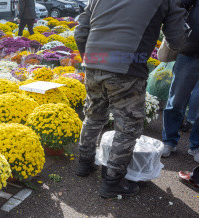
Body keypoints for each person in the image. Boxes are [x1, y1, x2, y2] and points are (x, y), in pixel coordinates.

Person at [74, 0, 189, 198]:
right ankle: (112, 181)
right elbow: (177, 39)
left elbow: (80, 31)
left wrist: (91, 58)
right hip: (127, 68)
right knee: (128, 127)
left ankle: (84, 164)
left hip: (94, 63)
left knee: (94, 115)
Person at [162, 0, 199, 160]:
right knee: (176, 100)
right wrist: (183, 31)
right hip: (190, 50)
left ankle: (196, 145)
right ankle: (169, 141)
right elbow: (179, 4)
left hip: (190, 47)